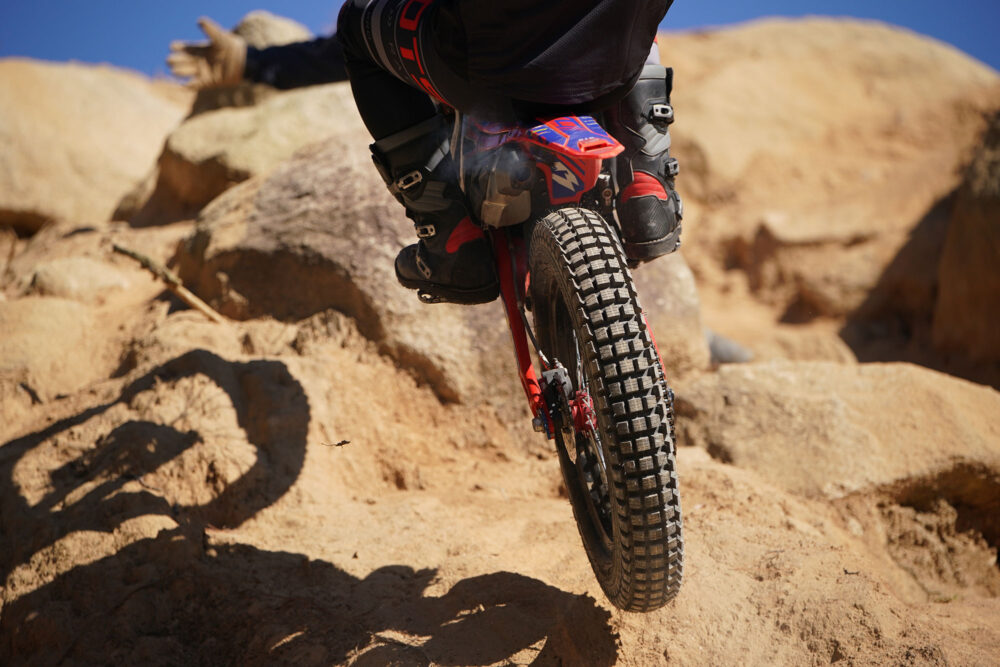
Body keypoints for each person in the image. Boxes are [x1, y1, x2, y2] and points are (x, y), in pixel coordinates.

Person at [168, 2, 682, 304]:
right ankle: (646, 179)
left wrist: (256, 64)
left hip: (489, 63)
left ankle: (450, 236)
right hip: (613, 57)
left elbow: (394, 16)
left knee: (359, 22)